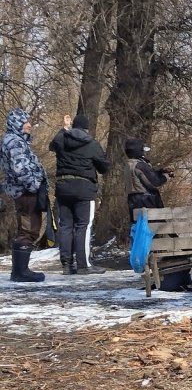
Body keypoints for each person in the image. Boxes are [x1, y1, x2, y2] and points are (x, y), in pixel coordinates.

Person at [49, 114, 111, 275]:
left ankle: (66, 264)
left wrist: (64, 129)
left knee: (65, 225)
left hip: (63, 187)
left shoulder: (62, 139)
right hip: (84, 188)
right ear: (86, 128)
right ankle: (84, 265)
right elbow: (104, 167)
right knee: (83, 225)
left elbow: (53, 145)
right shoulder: (91, 143)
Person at [1, 108, 47, 282]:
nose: (29, 125)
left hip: (23, 191)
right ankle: (21, 272)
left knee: (28, 228)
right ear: (16, 124)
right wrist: (34, 185)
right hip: (25, 192)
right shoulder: (14, 142)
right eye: (25, 122)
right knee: (28, 229)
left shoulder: (15, 141)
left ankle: (20, 270)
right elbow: (19, 168)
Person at [126, 138, 171, 216]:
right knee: (155, 226)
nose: (144, 153)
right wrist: (167, 176)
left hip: (133, 201)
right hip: (146, 202)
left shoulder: (128, 165)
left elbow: (145, 177)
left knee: (137, 226)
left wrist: (161, 171)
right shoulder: (140, 165)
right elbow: (155, 182)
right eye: (143, 151)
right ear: (138, 151)